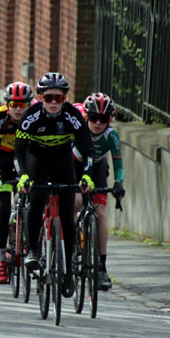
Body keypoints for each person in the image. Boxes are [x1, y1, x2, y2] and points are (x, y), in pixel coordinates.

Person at [14, 72, 94, 299]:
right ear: (40, 97)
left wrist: (87, 176)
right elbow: (18, 152)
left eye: (57, 99)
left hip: (62, 161)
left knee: (68, 216)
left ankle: (67, 272)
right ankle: (33, 250)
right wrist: (23, 176)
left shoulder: (73, 116)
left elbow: (88, 150)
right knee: (37, 199)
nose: (52, 103)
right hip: (36, 160)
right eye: (48, 98)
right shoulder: (29, 117)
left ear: (65, 99)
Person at [73, 93, 125, 290]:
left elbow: (118, 164)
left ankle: (101, 268)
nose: (97, 123)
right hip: (75, 167)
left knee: (100, 214)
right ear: (86, 116)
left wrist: (118, 183)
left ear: (109, 119)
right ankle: (70, 248)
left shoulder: (111, 136)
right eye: (93, 117)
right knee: (76, 203)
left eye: (103, 119)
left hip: (97, 168)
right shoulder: (77, 131)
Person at [0, 82, 34, 284]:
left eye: (22, 104)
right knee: (4, 208)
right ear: (7, 103)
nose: (17, 108)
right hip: (4, 162)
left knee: (33, 203)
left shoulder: (34, 116)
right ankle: (0, 259)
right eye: (13, 104)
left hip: (26, 160)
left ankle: (28, 242)